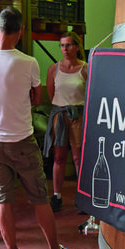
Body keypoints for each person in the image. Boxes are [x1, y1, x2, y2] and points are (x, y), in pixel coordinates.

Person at [0, 6, 74, 249]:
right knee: (40, 199)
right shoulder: (28, 62)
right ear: (20, 31)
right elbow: (38, 99)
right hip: (21, 140)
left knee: (2, 199)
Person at [43, 31, 87, 212]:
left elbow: (91, 93)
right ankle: (56, 196)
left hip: (78, 114)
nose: (65, 49)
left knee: (78, 158)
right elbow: (51, 94)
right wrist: (61, 108)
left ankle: (82, 197)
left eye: (69, 45)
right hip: (60, 114)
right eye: (62, 45)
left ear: (77, 46)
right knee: (59, 157)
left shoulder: (86, 68)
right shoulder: (54, 69)